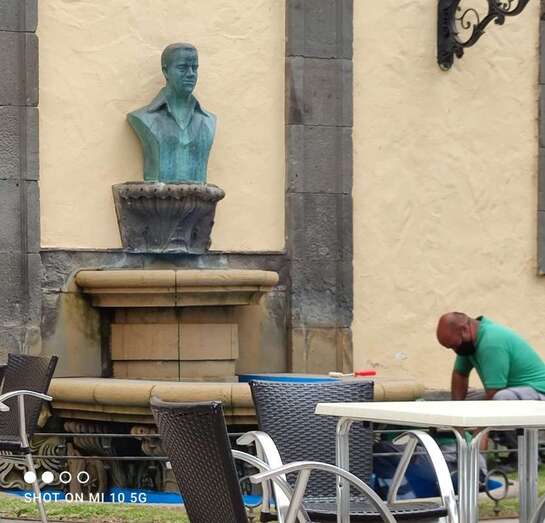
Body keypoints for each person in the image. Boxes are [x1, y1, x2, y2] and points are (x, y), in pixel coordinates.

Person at [127, 42, 216, 183]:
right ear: (166, 71)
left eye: (194, 68)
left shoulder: (208, 121)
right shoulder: (143, 118)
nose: (191, 74)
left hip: (201, 196)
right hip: (156, 195)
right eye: (182, 68)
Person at [436, 312, 545, 401]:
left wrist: (478, 422)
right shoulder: (467, 344)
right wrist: (456, 410)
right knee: (470, 399)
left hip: (538, 392)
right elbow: (460, 374)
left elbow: (494, 392)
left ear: (464, 329)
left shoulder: (491, 342)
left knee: (501, 397)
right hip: (513, 392)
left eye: (454, 345)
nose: (455, 351)